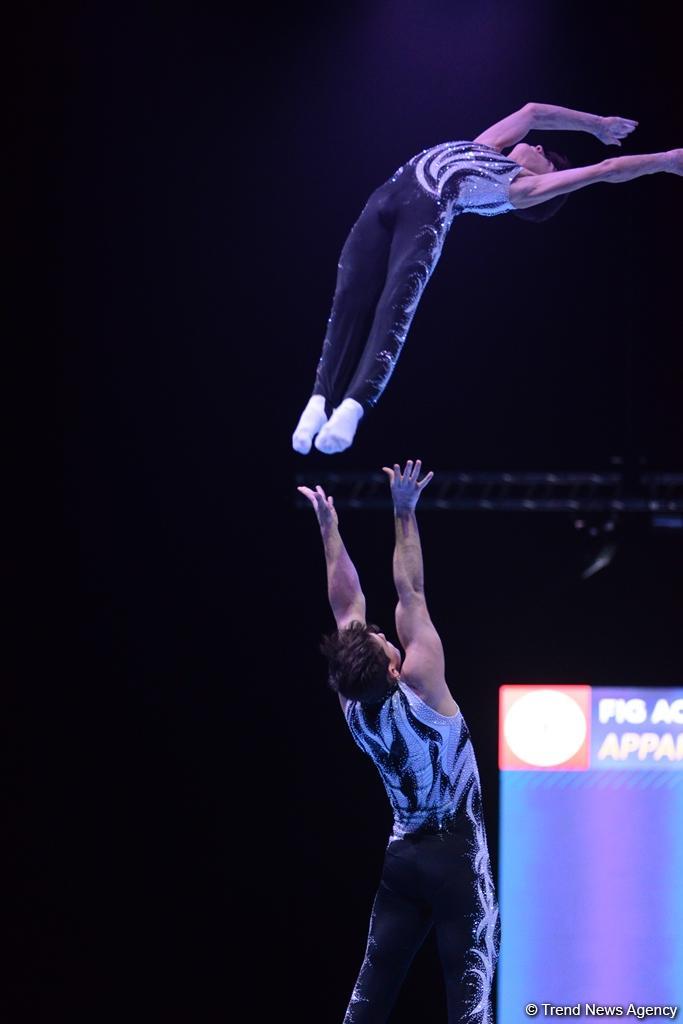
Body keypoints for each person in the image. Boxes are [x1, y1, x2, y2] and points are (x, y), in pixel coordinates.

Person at [292, 102, 683, 455]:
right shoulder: (487, 146)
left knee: (393, 304)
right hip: (384, 199)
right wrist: (596, 124)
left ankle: (354, 405)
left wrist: (666, 159)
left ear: (549, 177)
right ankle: (318, 400)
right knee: (349, 298)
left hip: (425, 216)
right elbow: (532, 113)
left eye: (549, 156)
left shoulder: (524, 189)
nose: (541, 147)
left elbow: (604, 171)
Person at [298, 460, 499, 1023]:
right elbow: (410, 589)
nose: (387, 639)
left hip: (403, 860)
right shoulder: (422, 685)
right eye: (388, 646)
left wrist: (328, 529)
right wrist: (405, 511)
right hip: (458, 857)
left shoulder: (352, 706)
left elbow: (346, 608)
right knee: (471, 1001)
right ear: (392, 671)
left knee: (369, 996)